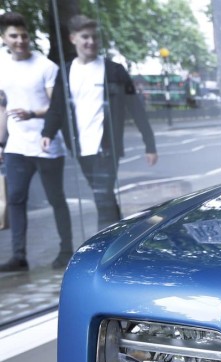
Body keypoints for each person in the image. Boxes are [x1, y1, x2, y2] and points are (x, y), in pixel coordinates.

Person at [41, 14, 157, 232]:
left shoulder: (114, 71)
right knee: (103, 196)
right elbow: (57, 107)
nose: (91, 42)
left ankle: (102, 248)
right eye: (85, 37)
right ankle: (121, 234)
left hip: (106, 146)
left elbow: (136, 109)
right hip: (80, 147)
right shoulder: (65, 72)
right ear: (72, 39)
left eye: (95, 37)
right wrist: (47, 133)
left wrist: (149, 144)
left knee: (102, 197)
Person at [0, 11, 74, 272]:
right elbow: (3, 107)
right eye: (14, 36)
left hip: (46, 143)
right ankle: (19, 257)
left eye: (24, 35)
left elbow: (56, 105)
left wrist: (31, 113)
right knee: (16, 200)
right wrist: (0, 142)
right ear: (4, 38)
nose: (20, 40)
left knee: (56, 199)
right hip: (16, 146)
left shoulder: (46, 66)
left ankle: (67, 251)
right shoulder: (1, 65)